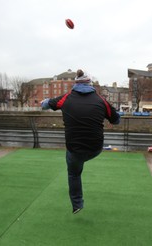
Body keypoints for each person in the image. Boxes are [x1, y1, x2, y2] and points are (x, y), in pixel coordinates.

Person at [41, 69, 120, 214]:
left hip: (75, 150)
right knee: (80, 160)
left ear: (75, 83)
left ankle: (77, 204)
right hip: (95, 148)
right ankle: (77, 200)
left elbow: (45, 104)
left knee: (74, 174)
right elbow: (116, 121)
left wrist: (44, 102)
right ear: (90, 84)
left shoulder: (66, 98)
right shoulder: (101, 101)